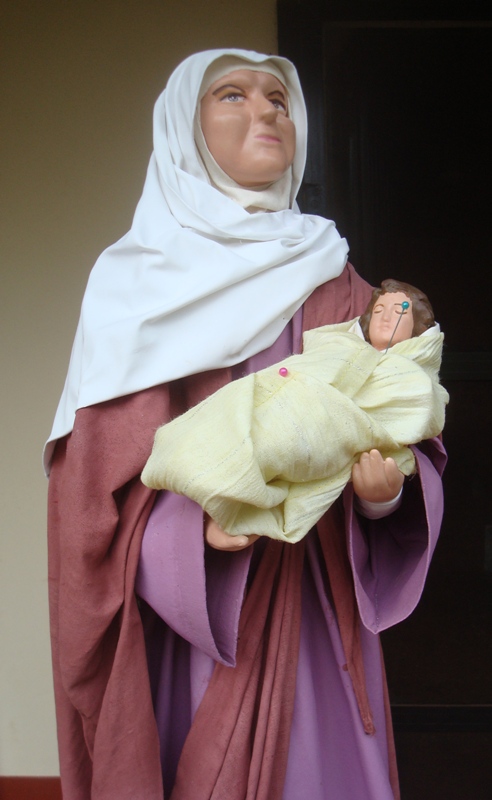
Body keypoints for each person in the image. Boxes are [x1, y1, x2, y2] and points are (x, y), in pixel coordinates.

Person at [45, 49, 446, 800]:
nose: (265, 111)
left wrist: (384, 496)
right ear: (182, 128)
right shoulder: (136, 285)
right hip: (200, 619)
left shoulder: (337, 275)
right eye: (231, 94)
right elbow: (96, 485)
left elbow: (401, 410)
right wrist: (184, 535)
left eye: (279, 100)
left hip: (317, 608)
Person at [142, 280, 449, 543]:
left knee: (282, 453)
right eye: (379, 311)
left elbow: (406, 431)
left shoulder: (412, 381)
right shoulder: (333, 342)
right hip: (268, 407)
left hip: (320, 463)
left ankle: (236, 507)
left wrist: (381, 499)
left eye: (399, 311)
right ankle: (222, 499)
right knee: (229, 431)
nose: (386, 318)